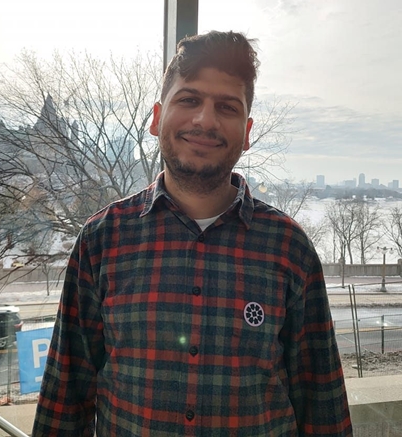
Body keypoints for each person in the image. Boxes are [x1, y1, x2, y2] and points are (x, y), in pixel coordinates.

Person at [32, 31, 352, 436]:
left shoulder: (289, 248)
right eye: (188, 100)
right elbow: (65, 398)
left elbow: (322, 404)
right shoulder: (101, 240)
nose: (205, 120)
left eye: (227, 107)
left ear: (247, 132)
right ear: (156, 118)